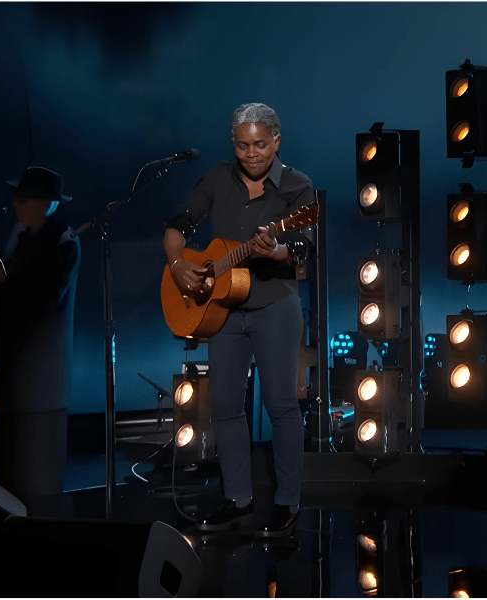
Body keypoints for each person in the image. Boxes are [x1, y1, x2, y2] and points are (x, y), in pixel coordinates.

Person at [164, 103, 312, 537]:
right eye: (244, 146)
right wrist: (177, 266)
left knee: (281, 405)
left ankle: (287, 503)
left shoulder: (298, 188)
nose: (252, 154)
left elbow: (304, 247)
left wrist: (276, 250)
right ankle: (238, 499)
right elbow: (178, 224)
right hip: (223, 311)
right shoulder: (217, 177)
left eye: (261, 145)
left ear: (277, 141)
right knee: (226, 406)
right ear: (234, 143)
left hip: (274, 307)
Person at [0, 166, 80, 516]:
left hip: (41, 382)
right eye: (17, 197)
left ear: (49, 204)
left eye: (26, 198)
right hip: (12, 377)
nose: (17, 204)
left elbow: (42, 299)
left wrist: (0, 279)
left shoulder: (64, 242)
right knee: (8, 476)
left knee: (37, 488)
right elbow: (7, 275)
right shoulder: (19, 234)